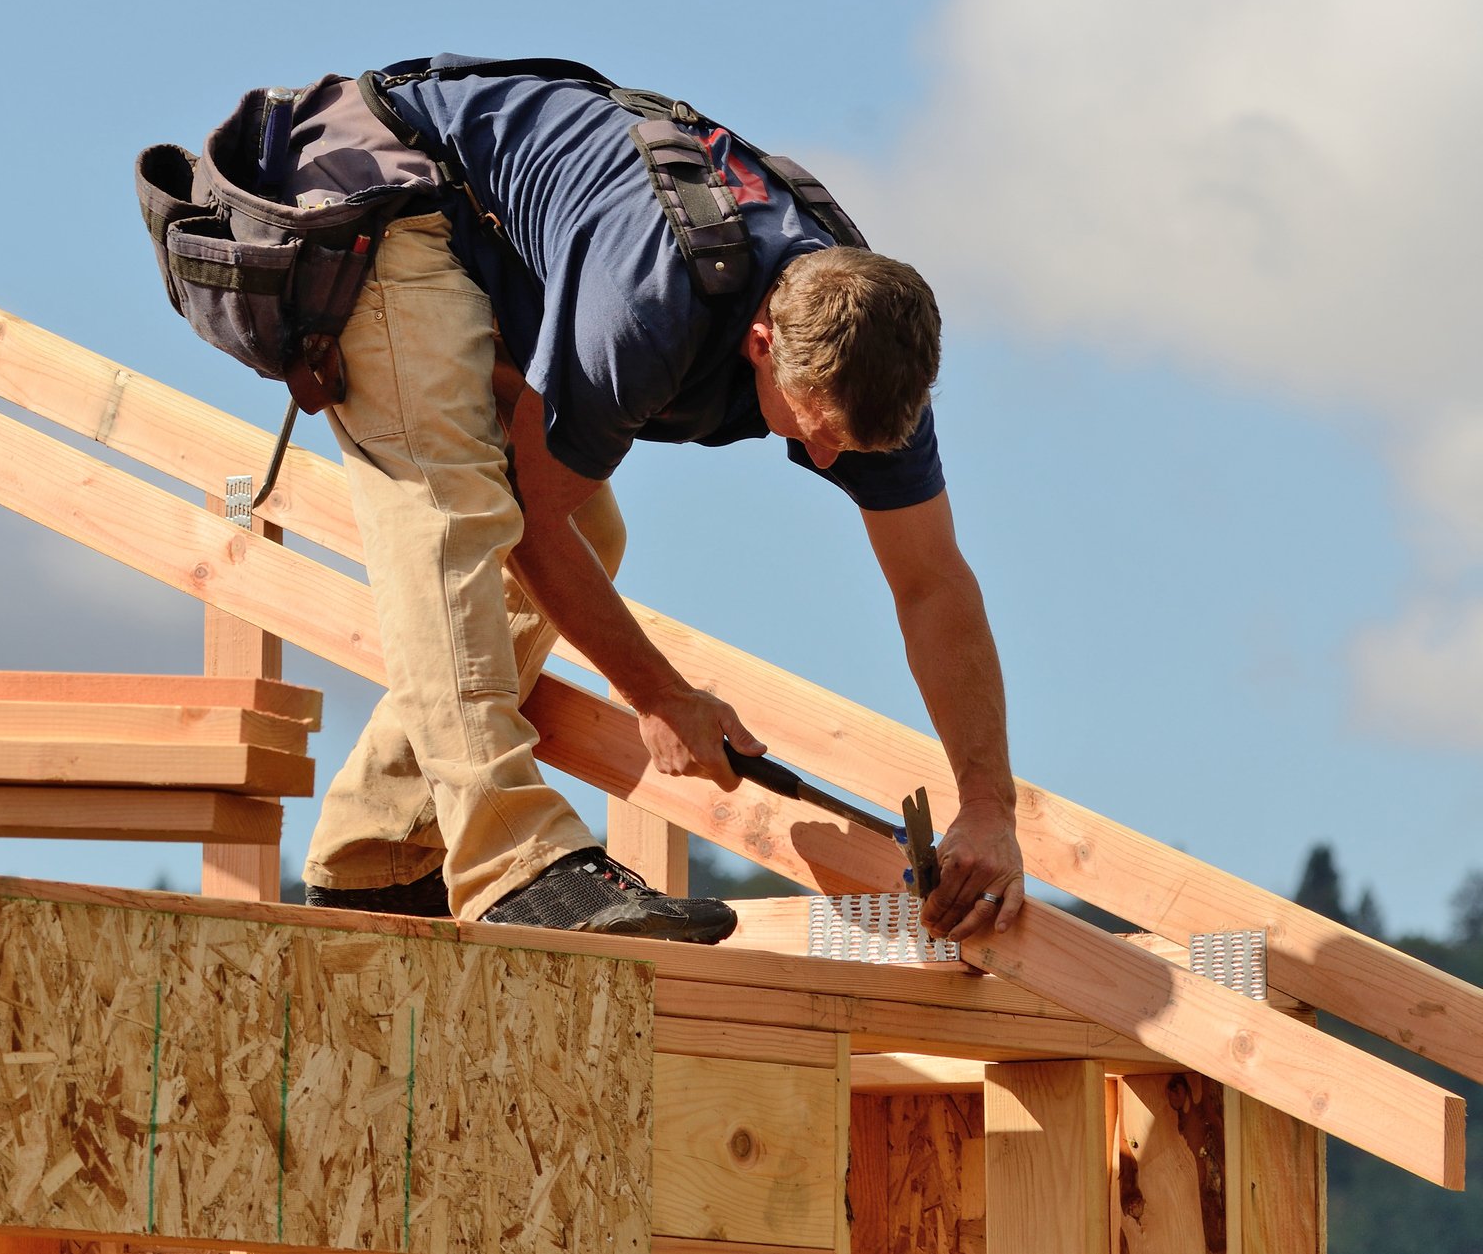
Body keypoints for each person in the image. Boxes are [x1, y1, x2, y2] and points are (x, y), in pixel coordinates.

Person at [293, 57, 1025, 945]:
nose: (828, 459)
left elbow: (932, 584)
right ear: (761, 344)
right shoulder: (651, 304)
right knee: (457, 518)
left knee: (590, 536)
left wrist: (989, 806)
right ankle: (514, 862)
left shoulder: (874, 361)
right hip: (381, 192)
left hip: (497, 253)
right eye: (817, 430)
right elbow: (529, 521)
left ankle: (374, 854)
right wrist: (659, 695)